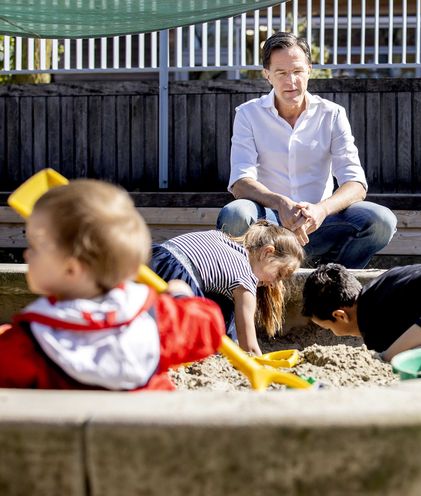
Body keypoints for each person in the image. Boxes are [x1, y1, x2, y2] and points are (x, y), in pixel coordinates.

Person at [0, 180, 225, 391]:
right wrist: (180, 295)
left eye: (34, 247)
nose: (26, 254)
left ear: (71, 269)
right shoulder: (158, 319)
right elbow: (210, 326)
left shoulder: (26, 344)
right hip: (148, 430)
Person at [216, 31, 397, 269]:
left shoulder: (332, 114)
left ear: (309, 69)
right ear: (267, 75)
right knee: (235, 214)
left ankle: (332, 279)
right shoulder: (248, 114)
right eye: (281, 73)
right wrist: (281, 203)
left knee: (381, 220)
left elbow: (356, 183)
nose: (291, 82)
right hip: (269, 225)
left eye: (297, 71)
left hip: (320, 224)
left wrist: (321, 210)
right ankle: (249, 283)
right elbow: (240, 181)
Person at [150, 220, 304, 356]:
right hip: (179, 276)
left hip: (155, 257)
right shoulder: (245, 278)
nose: (274, 283)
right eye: (279, 274)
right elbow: (249, 347)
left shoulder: (221, 238)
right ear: (267, 252)